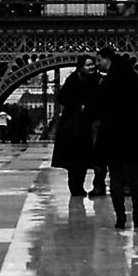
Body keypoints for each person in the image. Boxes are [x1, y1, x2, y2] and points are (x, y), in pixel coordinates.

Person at [95, 47, 138, 229]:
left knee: (116, 179)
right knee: (137, 178)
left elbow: (97, 107)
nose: (98, 63)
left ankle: (120, 218)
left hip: (112, 132)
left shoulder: (106, 83)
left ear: (107, 59)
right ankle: (137, 217)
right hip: (133, 131)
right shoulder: (137, 80)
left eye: (99, 60)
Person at [51, 55, 101, 196]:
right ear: (81, 67)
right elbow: (62, 98)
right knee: (76, 158)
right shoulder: (73, 79)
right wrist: (78, 106)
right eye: (88, 65)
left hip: (89, 123)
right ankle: (76, 186)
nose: (91, 67)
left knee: (84, 158)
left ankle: (82, 185)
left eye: (92, 64)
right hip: (75, 125)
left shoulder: (96, 79)